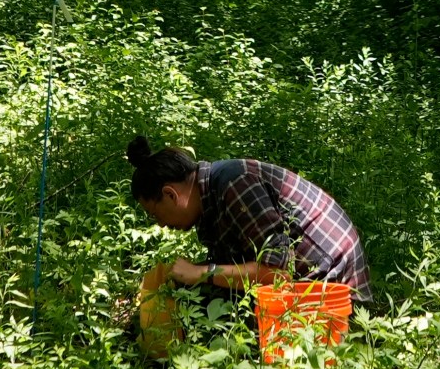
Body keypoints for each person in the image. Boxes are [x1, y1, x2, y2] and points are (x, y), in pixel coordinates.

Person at [126, 136, 368, 355]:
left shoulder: (235, 184)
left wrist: (201, 273)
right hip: (306, 278)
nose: (161, 225)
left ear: (170, 194)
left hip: (335, 290)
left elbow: (276, 274)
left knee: (218, 332)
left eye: (156, 214)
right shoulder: (207, 197)